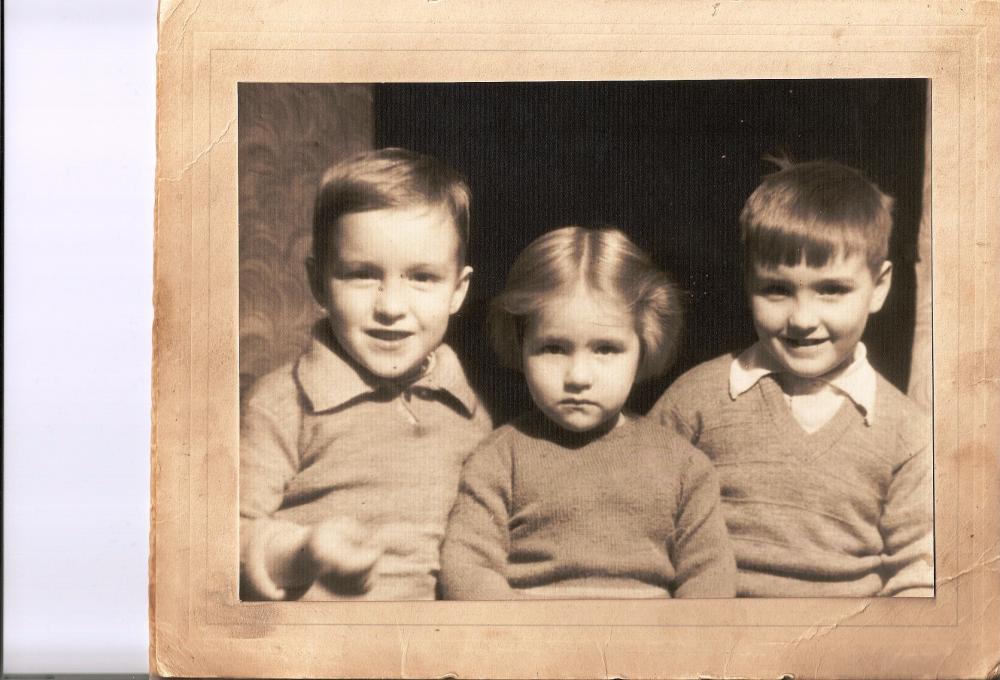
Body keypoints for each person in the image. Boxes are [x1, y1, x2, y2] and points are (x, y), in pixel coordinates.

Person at [651, 159, 933, 597]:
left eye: (832, 290)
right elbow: (640, 524)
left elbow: (919, 574)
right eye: (777, 289)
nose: (802, 319)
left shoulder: (907, 432)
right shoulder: (696, 400)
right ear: (748, 283)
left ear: (878, 287)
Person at [239, 148, 492, 601]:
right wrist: (302, 553)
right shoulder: (282, 403)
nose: (391, 307)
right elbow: (220, 541)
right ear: (318, 282)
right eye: (360, 275)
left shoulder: (469, 413)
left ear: (458, 290)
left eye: (423, 278)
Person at [440, 226, 736, 599]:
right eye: (553, 348)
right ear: (520, 343)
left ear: (645, 344)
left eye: (606, 349)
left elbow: (710, 574)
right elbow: (468, 565)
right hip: (534, 644)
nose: (578, 376)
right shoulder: (499, 459)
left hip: (650, 647)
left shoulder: (684, 467)